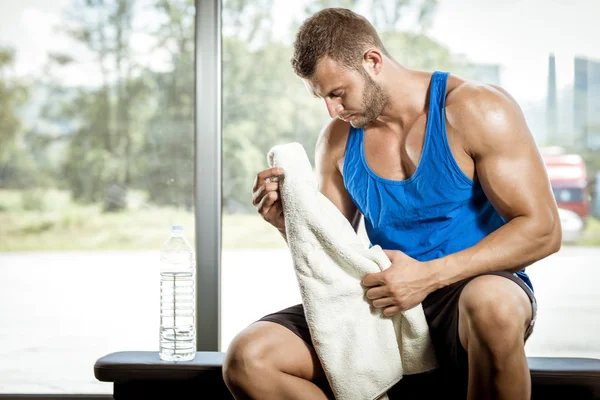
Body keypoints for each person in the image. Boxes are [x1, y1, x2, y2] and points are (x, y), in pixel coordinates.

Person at [223, 7, 561, 400]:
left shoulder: (474, 109)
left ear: (372, 61)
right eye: (322, 98)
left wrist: (430, 275)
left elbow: (543, 230)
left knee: (494, 306)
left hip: (468, 292)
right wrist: (289, 223)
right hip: (384, 299)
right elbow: (333, 255)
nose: (332, 110)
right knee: (250, 359)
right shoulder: (337, 139)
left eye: (337, 93)